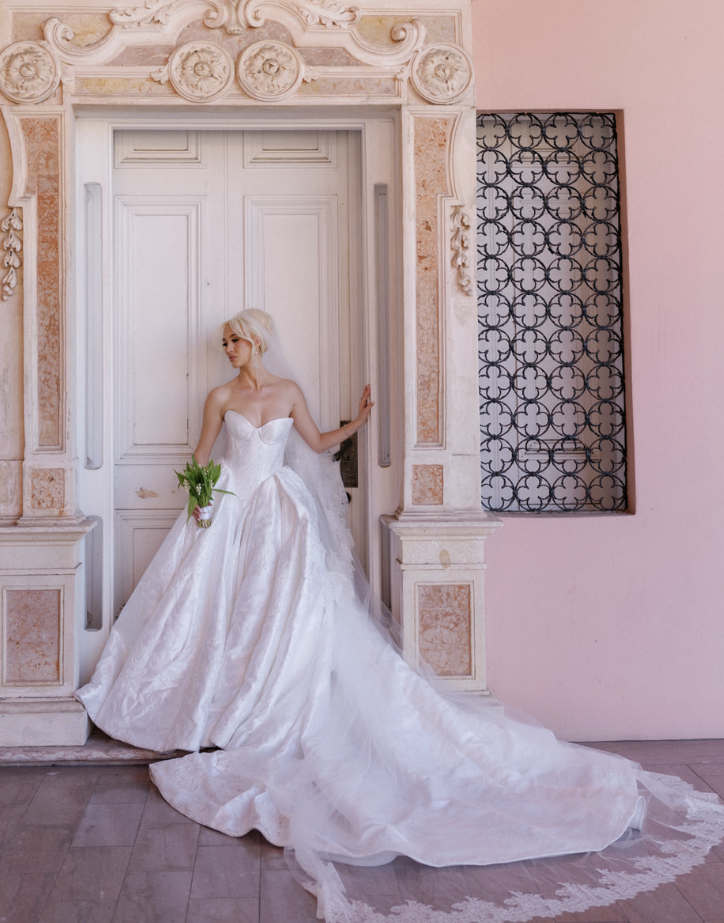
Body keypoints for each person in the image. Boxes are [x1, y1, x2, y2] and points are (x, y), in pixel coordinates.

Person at [77, 309, 724, 923]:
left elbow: (314, 443)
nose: (228, 351)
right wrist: (197, 500)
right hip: (228, 513)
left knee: (278, 617)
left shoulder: (289, 390)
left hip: (279, 516)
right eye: (224, 343)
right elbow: (201, 454)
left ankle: (265, 701)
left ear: (257, 342)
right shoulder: (220, 398)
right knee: (219, 612)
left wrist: (355, 425)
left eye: (235, 341)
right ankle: (219, 702)